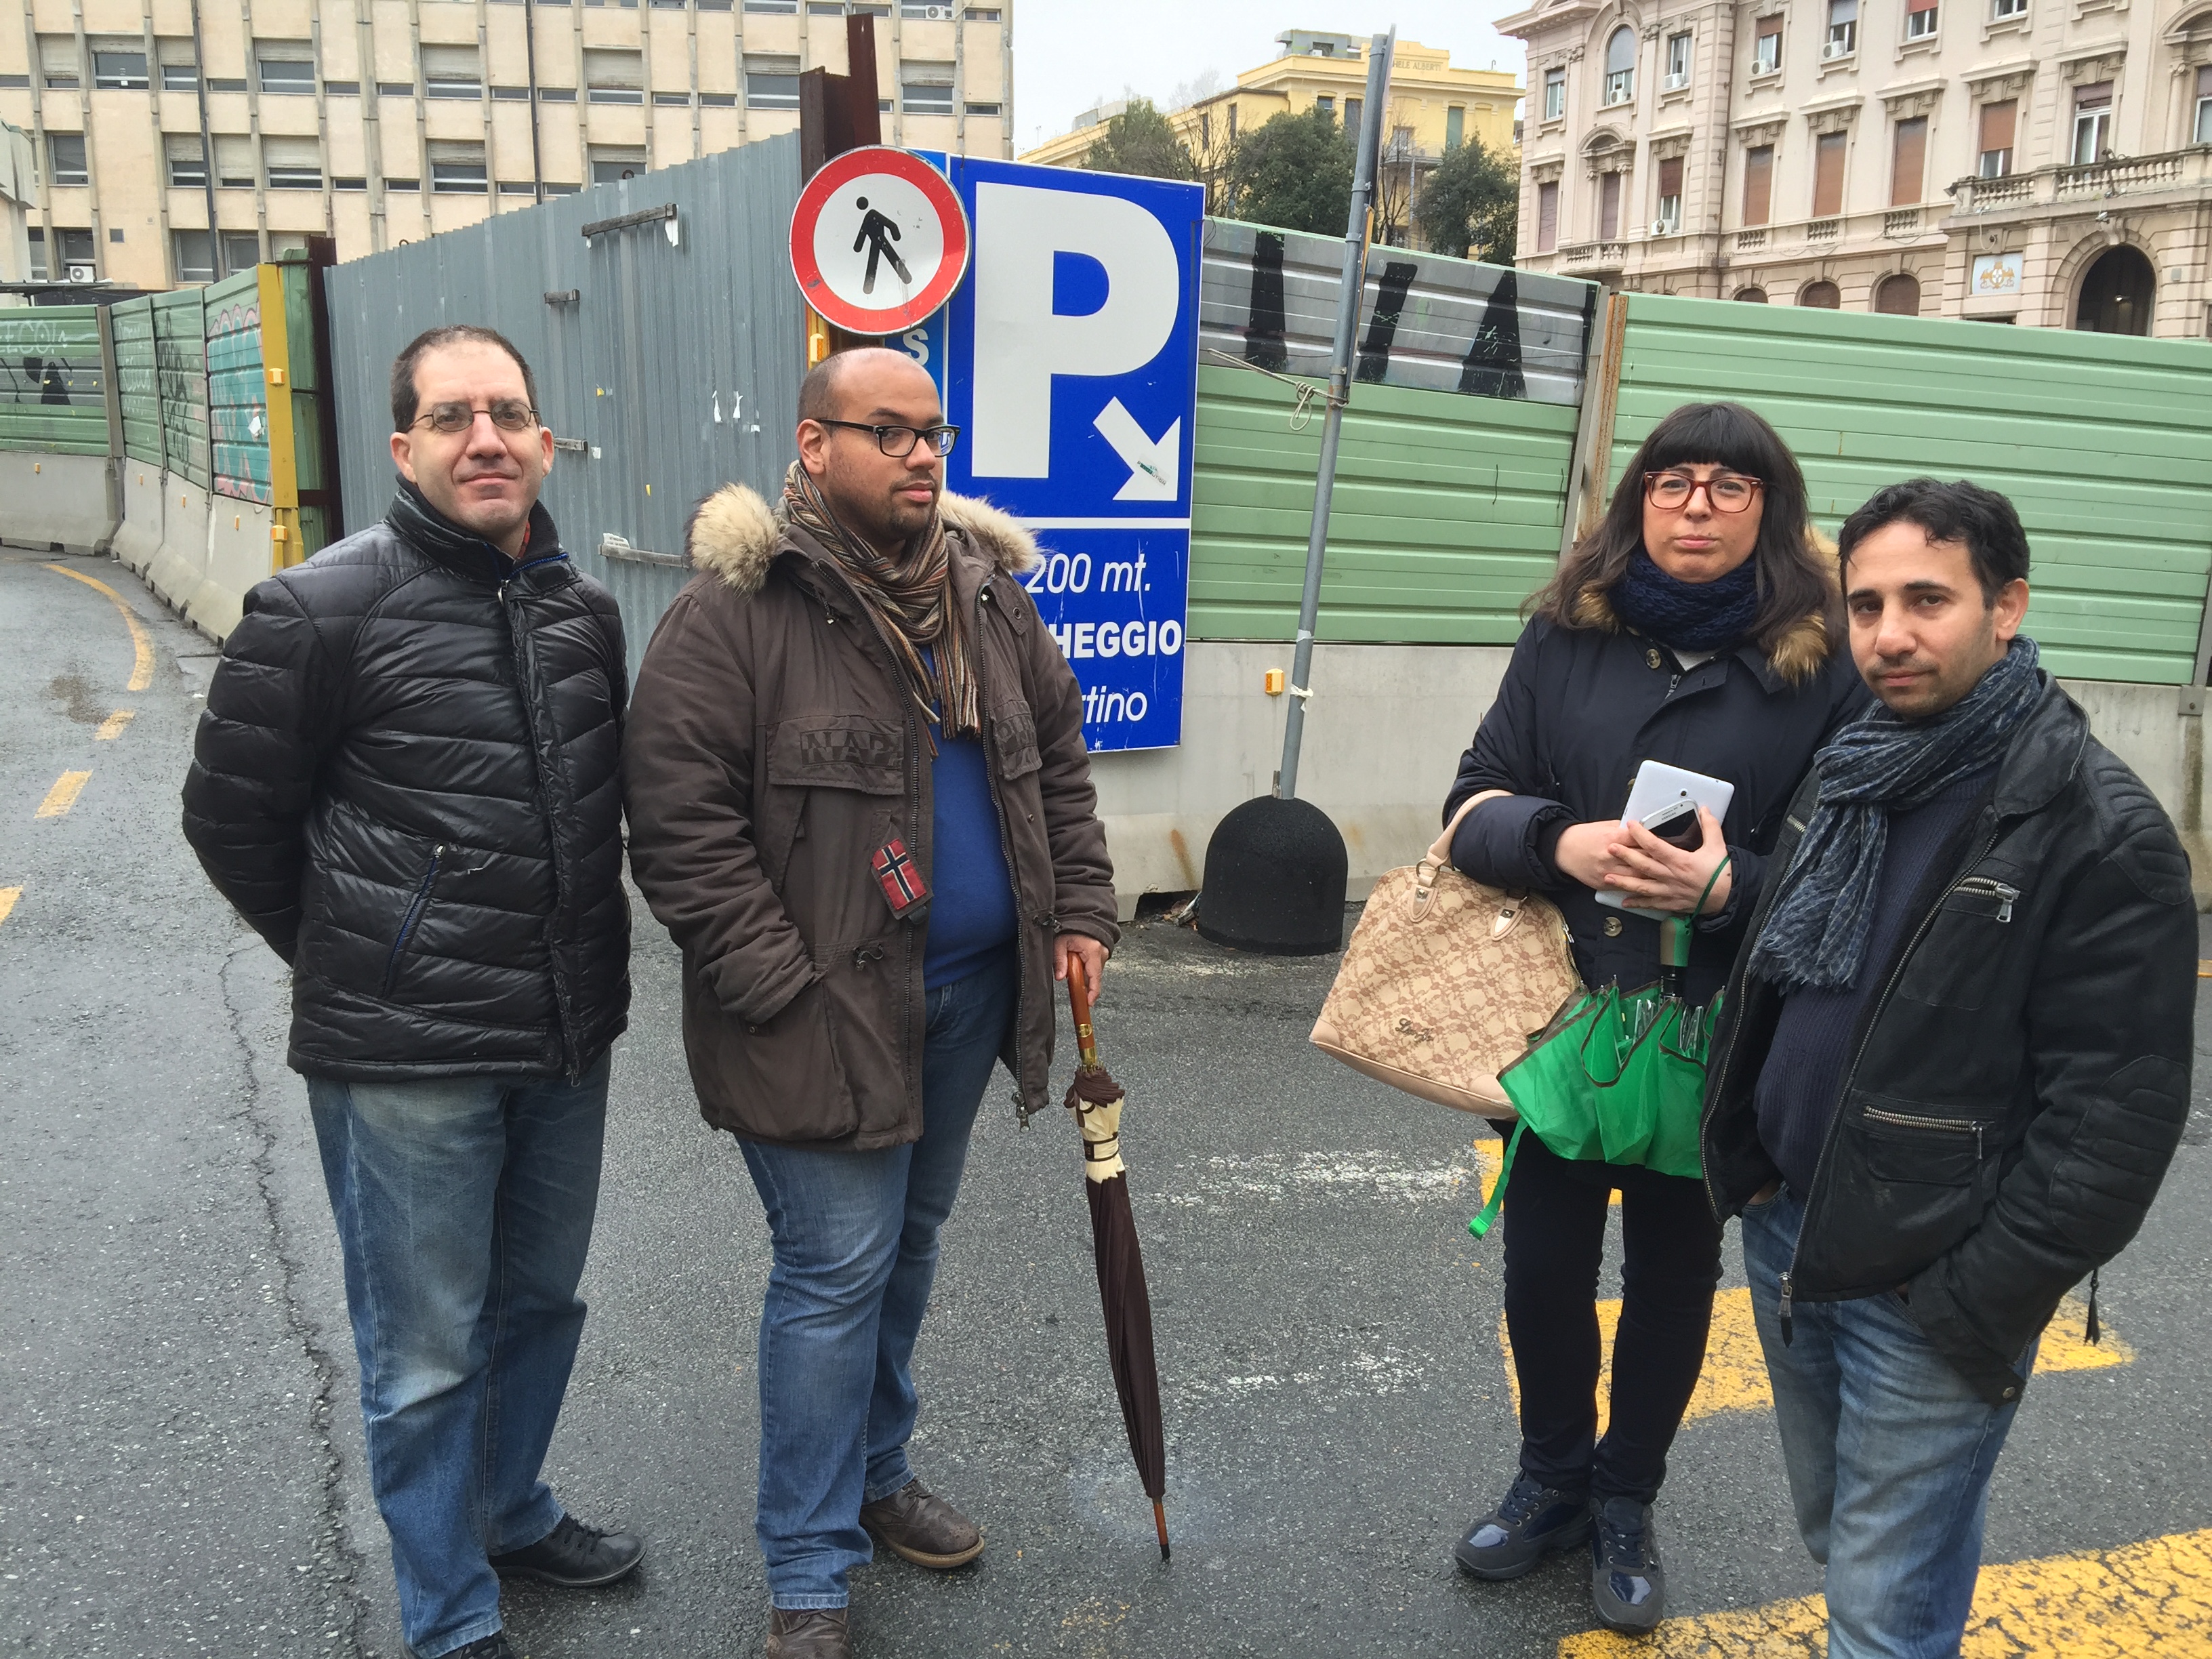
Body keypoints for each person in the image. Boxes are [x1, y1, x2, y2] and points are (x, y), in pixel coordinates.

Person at [621, 347, 1117, 1659]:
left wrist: (1078, 910)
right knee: (834, 1272)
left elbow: (1057, 759)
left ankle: (877, 1474)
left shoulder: (987, 602)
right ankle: (810, 1566)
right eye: (886, 431)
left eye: (931, 432)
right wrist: (779, 990)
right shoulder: (738, 614)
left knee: (906, 1249)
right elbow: (679, 828)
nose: (918, 454)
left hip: (960, 1002)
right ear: (811, 444)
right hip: (815, 1015)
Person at [181, 325, 642, 1659]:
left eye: (507, 413)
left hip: (565, 1034)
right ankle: (447, 1616)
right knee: (425, 1350)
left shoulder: (583, 612)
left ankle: (509, 1508)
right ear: (405, 448)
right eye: (453, 418)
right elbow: (231, 822)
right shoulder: (318, 609)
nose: (485, 437)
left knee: (542, 1303)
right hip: (403, 1062)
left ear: (546, 442)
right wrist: (367, 960)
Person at [1703, 478, 2194, 1658]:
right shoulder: (1861, 762)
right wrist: (1756, 1164)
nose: (1889, 635)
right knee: (1855, 1539)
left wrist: (1970, 1301)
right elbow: (1809, 967)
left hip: (1930, 1277)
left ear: (2007, 605)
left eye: (1928, 599)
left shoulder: (2095, 826)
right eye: (1866, 605)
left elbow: (2113, 1123)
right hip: (1794, 1232)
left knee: (1879, 1601)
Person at [1442, 401, 1868, 1633]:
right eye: (1673, 481)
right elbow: (1475, 800)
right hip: (1564, 1016)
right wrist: (1556, 838)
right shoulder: (1567, 633)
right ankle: (1551, 1484)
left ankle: (1628, 1500)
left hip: (1721, 1026)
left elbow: (1853, 860)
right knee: (1543, 1273)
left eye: (1729, 488)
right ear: (1638, 500)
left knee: (1677, 1278)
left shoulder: (1825, 658)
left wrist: (1735, 886)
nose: (1696, 505)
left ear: (1769, 513)